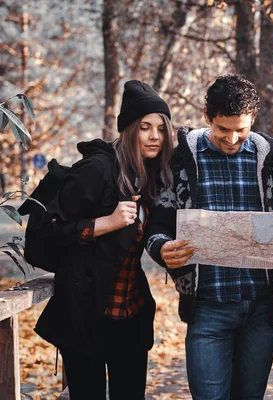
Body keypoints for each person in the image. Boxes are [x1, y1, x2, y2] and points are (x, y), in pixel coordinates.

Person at [145, 74, 273, 400]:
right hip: (207, 307)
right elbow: (157, 223)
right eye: (222, 130)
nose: (232, 139)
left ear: (253, 120)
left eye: (241, 129)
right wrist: (162, 248)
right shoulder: (181, 158)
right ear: (207, 116)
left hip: (261, 309)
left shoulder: (271, 157)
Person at [34, 80, 174, 399]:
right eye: (145, 127)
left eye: (161, 128)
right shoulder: (96, 169)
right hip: (86, 316)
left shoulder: (148, 177)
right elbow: (52, 228)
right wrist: (106, 222)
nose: (155, 136)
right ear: (128, 130)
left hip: (130, 316)